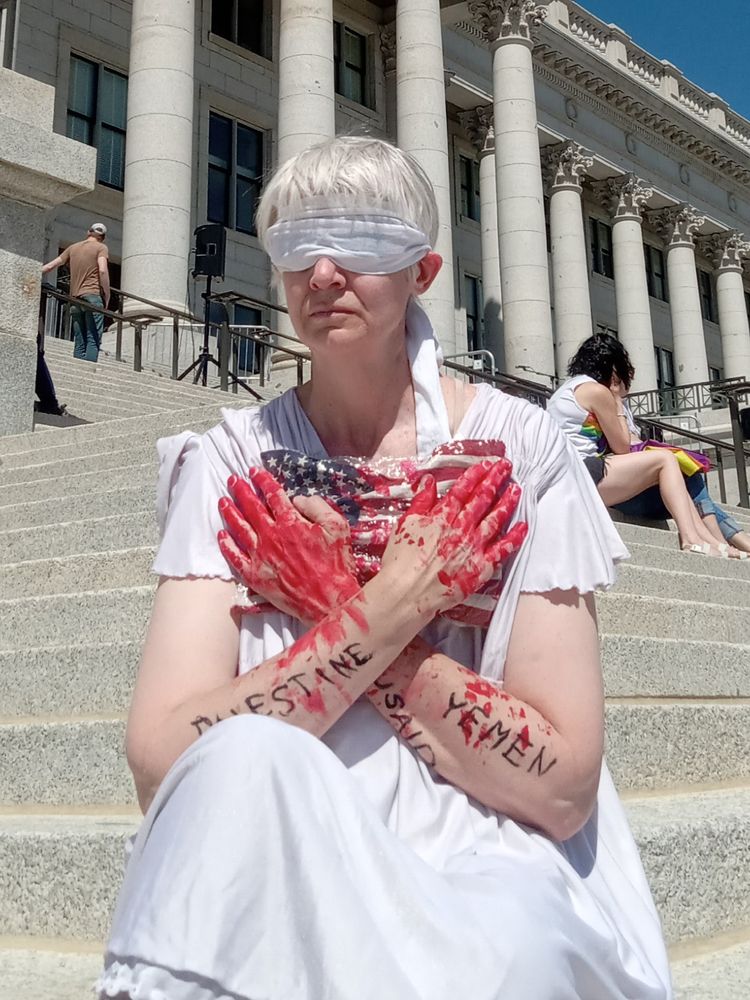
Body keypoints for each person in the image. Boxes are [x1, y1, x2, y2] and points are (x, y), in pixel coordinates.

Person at [97, 137, 671, 1000]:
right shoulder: (229, 464)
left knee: (509, 949)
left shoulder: (523, 453)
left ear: (423, 270)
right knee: (240, 762)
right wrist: (394, 602)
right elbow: (166, 768)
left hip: (490, 849)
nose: (323, 273)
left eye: (358, 244)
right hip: (278, 838)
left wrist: (338, 598)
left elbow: (560, 788)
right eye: (297, 245)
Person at [548, 333, 750, 558]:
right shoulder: (596, 391)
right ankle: (692, 539)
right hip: (581, 473)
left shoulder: (569, 389)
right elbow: (622, 447)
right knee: (666, 459)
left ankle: (710, 540)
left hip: (572, 473)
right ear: (614, 368)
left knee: (679, 476)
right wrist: (617, 402)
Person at [42, 221, 110, 362]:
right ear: (102, 237)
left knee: (79, 339)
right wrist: (107, 293)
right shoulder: (101, 248)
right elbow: (103, 270)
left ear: (88, 232)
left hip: (75, 299)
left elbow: (50, 266)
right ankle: (89, 369)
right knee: (93, 337)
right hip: (92, 295)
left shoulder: (72, 248)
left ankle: (78, 363)